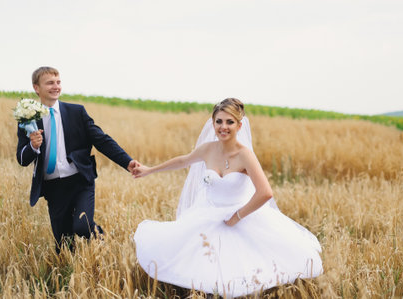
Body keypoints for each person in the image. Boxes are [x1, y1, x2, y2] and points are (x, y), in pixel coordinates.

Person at [132, 98, 323, 298]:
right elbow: (183, 160)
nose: (223, 127)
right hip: (208, 215)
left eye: (229, 122)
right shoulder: (208, 149)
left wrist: (237, 216)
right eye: (219, 121)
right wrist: (149, 170)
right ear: (213, 123)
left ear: (239, 125)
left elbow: (265, 192)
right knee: (194, 263)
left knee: (239, 271)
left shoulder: (245, 155)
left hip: (239, 217)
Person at [16, 66, 138, 253]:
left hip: (80, 180)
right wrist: (33, 146)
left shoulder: (76, 112)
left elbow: (102, 140)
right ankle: (69, 276)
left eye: (58, 82)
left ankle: (103, 242)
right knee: (63, 244)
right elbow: (22, 159)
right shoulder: (28, 120)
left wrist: (127, 162)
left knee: (82, 226)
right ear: (36, 88)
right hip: (53, 187)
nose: (56, 86)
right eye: (50, 83)